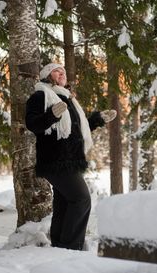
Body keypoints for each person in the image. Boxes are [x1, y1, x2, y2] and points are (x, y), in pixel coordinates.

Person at [25, 63, 116, 250]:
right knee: (81, 199)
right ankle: (71, 246)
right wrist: (51, 114)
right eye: (57, 71)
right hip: (54, 161)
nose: (62, 73)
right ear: (47, 75)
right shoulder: (40, 95)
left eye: (64, 71)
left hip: (71, 160)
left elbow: (75, 130)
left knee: (65, 202)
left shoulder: (68, 98)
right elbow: (33, 124)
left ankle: (59, 245)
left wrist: (97, 119)